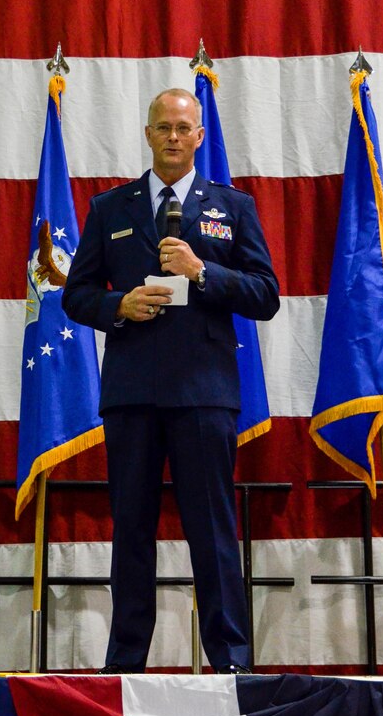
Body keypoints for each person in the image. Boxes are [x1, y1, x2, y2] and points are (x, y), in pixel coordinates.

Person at [62, 88, 279, 674]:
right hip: (132, 393)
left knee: (212, 530)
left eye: (184, 128)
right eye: (163, 127)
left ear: (200, 136)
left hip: (204, 394)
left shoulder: (232, 206)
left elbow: (266, 296)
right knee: (131, 529)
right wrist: (119, 306)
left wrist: (203, 270)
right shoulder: (111, 208)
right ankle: (126, 662)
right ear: (149, 133)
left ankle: (230, 659)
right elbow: (75, 296)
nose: (174, 137)